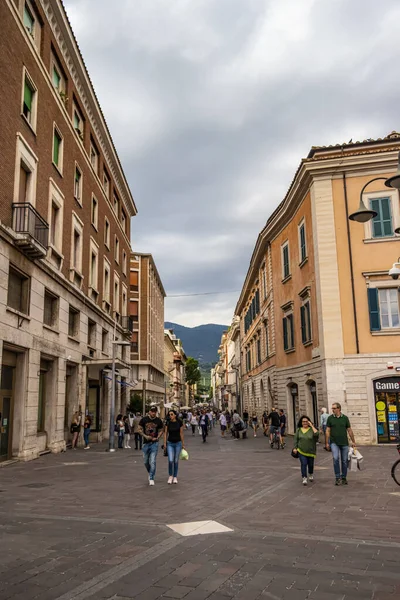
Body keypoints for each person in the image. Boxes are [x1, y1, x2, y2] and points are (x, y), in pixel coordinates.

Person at [326, 402, 356, 486]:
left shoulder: (345, 418)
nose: (333, 410)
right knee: (335, 458)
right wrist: (327, 442)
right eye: (332, 408)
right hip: (334, 442)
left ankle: (344, 477)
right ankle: (337, 477)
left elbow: (349, 430)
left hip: (344, 442)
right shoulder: (330, 418)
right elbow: (327, 430)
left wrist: (353, 441)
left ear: (339, 409)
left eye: (334, 408)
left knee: (344, 461)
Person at [139, 406, 164, 486]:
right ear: (149, 411)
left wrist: (157, 437)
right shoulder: (144, 420)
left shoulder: (158, 420)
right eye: (152, 411)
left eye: (155, 411)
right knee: (146, 461)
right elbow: (139, 429)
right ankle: (150, 473)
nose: (153, 413)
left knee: (152, 461)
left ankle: (151, 478)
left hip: (154, 443)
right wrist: (146, 436)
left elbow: (161, 430)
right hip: (146, 443)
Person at [292, 415, 319, 485]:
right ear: (301, 422)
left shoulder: (311, 430)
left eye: (306, 421)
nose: (305, 423)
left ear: (309, 422)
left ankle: (310, 474)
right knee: (303, 463)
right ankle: (304, 477)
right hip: (301, 450)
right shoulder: (298, 430)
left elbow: (317, 434)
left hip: (311, 451)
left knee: (310, 465)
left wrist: (312, 426)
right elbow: (296, 439)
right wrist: (295, 448)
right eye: (303, 421)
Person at [164, 410, 185, 484]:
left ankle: (175, 476)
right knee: (170, 460)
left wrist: (183, 444)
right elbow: (165, 433)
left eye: (172, 414)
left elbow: (181, 433)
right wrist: (165, 443)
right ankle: (170, 476)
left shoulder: (179, 422)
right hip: (170, 443)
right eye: (169, 414)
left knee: (176, 460)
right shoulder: (168, 422)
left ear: (175, 415)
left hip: (178, 443)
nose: (170, 416)